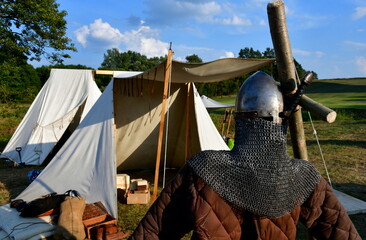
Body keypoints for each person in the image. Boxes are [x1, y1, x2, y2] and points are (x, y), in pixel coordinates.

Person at [129, 71, 361, 240]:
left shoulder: (202, 170)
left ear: (241, 119)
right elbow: (341, 232)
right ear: (281, 122)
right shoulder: (302, 176)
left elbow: (153, 231)